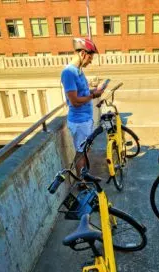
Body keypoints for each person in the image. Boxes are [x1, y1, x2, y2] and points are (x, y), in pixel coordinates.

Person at [61, 37, 105, 176]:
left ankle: (84, 175)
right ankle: (82, 182)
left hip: (85, 119)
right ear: (83, 54)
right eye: (90, 58)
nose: (90, 61)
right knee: (81, 152)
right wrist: (93, 96)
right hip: (79, 122)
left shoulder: (79, 71)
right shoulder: (69, 73)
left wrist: (94, 92)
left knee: (85, 150)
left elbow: (83, 93)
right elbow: (74, 101)